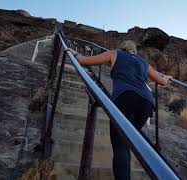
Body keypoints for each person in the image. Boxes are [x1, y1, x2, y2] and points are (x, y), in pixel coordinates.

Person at [65, 40, 171, 180]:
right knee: (126, 142)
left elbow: (84, 61)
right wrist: (167, 77)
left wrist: (75, 53)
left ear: (122, 48)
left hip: (125, 98)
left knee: (120, 146)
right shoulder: (144, 62)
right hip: (147, 102)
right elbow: (162, 82)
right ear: (134, 50)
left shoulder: (114, 54)